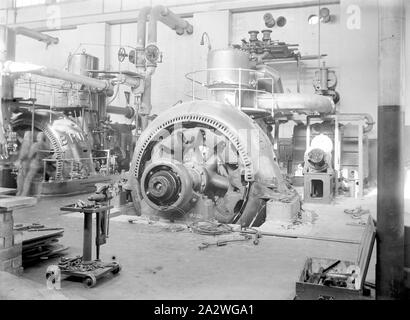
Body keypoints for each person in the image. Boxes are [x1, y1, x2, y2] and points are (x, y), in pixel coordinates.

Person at [21, 132, 50, 196]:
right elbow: (48, 155)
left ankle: (24, 195)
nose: (36, 137)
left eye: (38, 136)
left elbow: (30, 156)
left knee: (28, 179)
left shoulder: (36, 145)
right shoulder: (47, 146)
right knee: (39, 181)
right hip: (43, 166)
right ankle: (38, 196)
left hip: (35, 165)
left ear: (39, 137)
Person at [14, 131, 32, 196]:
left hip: (24, 163)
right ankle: (24, 193)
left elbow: (24, 153)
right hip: (27, 163)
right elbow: (22, 141)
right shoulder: (29, 142)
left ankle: (21, 193)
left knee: (21, 179)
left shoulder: (26, 143)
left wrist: (19, 160)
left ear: (26, 136)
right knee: (24, 178)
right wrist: (17, 136)